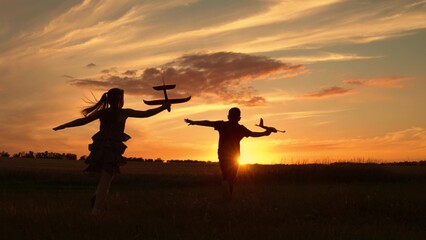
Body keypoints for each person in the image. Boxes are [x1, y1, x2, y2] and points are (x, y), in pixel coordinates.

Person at [53, 88, 170, 214]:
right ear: (121, 100)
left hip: (100, 146)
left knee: (106, 178)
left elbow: (82, 121)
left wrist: (64, 125)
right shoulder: (124, 113)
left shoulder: (103, 113)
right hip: (112, 148)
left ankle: (96, 198)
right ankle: (95, 211)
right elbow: (146, 113)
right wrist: (163, 107)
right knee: (106, 181)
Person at [184, 107, 272, 200]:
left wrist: (194, 122)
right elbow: (253, 134)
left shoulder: (222, 125)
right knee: (232, 177)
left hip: (223, 154)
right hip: (234, 156)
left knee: (227, 176)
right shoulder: (240, 128)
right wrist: (265, 133)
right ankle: (228, 195)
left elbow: (208, 122)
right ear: (239, 118)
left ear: (228, 116)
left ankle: (227, 195)